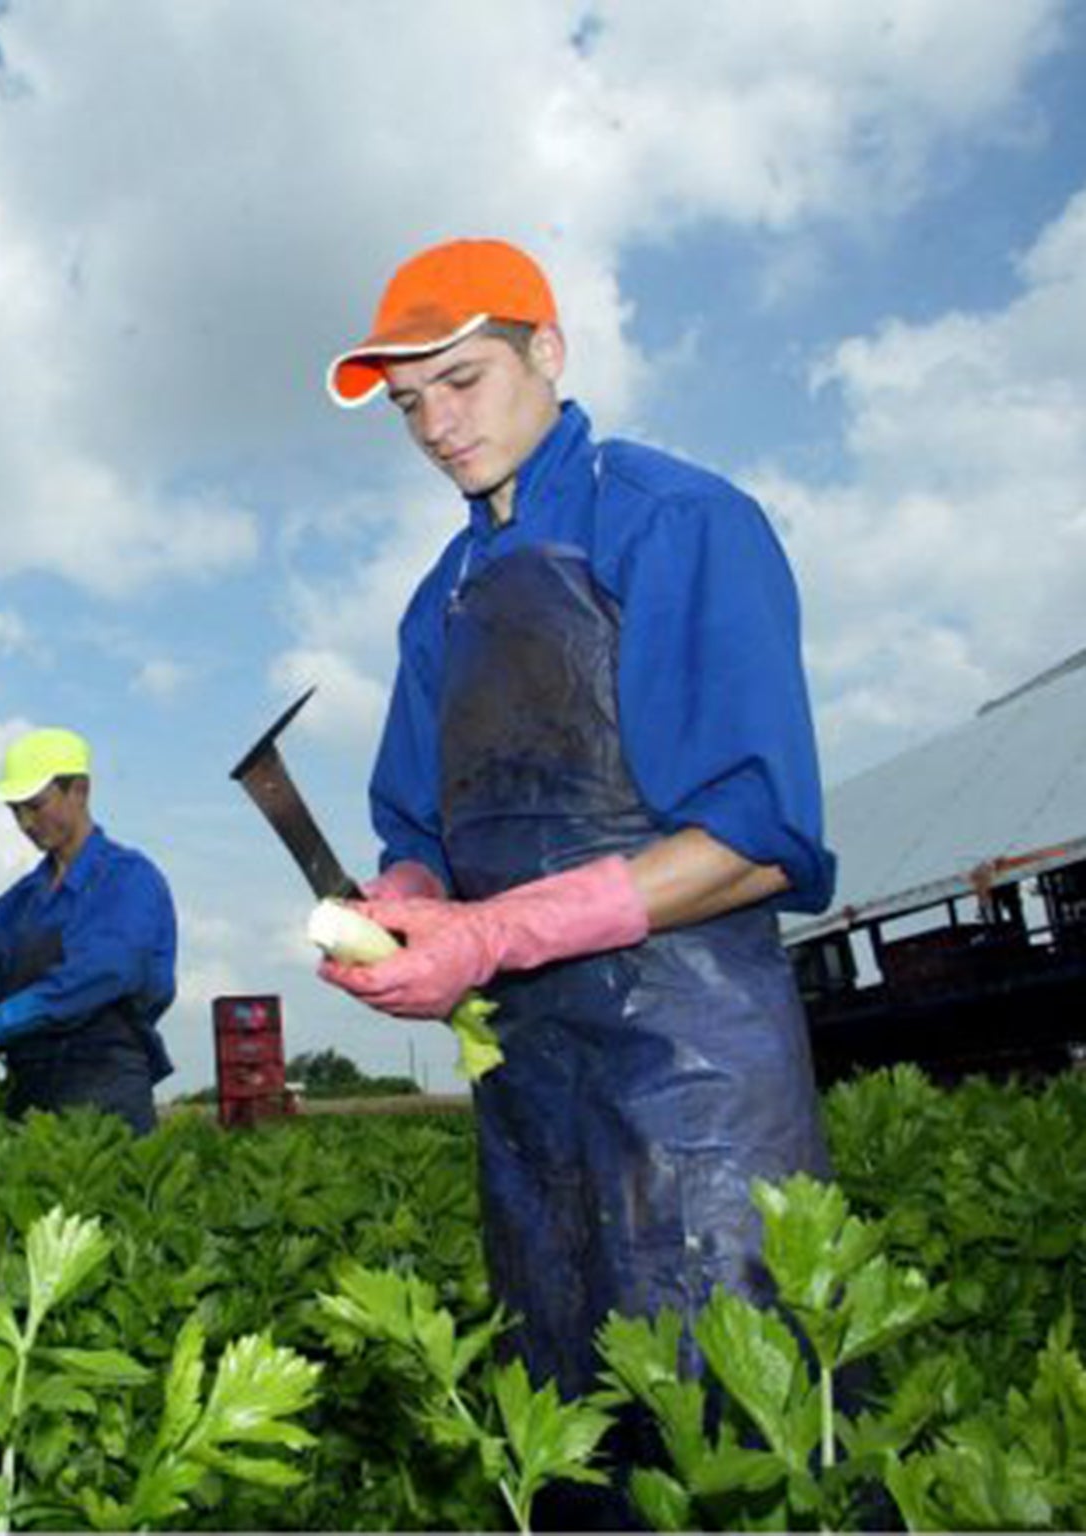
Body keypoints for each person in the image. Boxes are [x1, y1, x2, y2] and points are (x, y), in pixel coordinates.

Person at [318, 239, 835, 1405]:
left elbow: (755, 836)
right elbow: (418, 827)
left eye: (462, 381)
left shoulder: (674, 522)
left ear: (544, 351)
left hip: (689, 1058)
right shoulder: (436, 603)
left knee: (731, 1413)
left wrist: (492, 934)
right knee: (565, 1404)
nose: (437, 426)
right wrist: (402, 905)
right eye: (408, 405)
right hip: (526, 1079)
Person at [0, 727, 178, 1136]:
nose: (25, 822)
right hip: (26, 1100)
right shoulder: (8, 909)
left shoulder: (128, 878)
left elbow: (102, 974)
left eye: (35, 805)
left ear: (79, 790)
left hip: (107, 1091)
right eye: (15, 811)